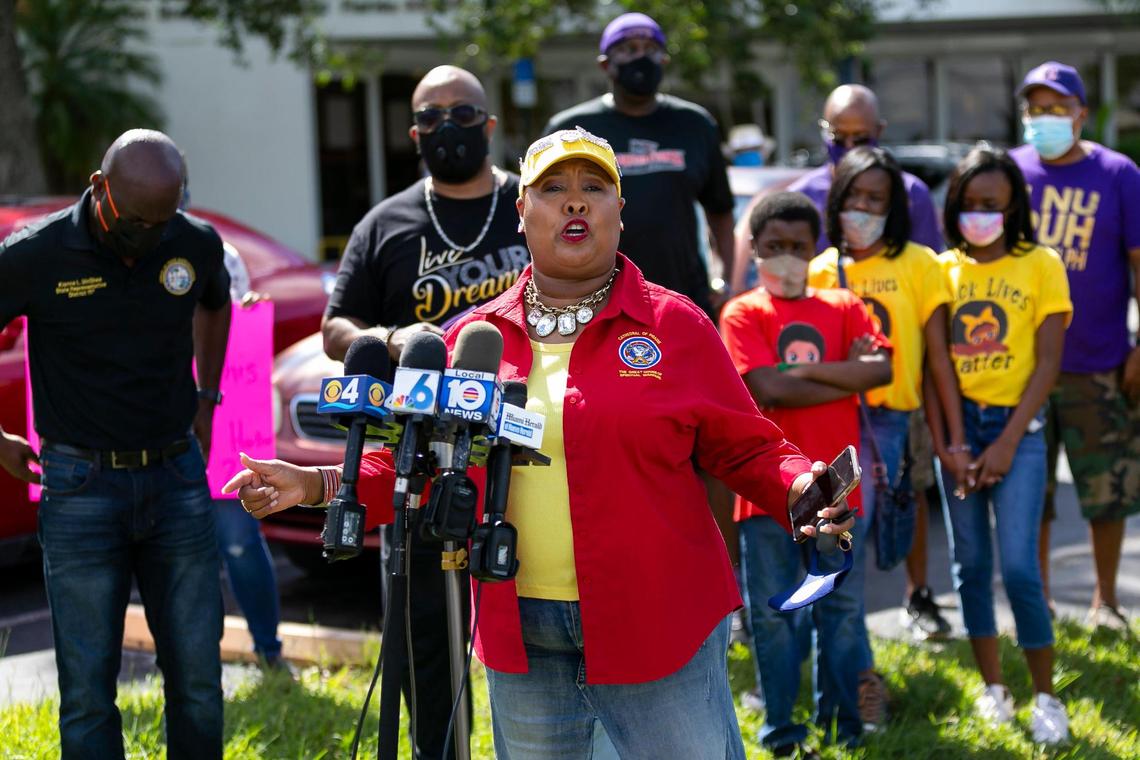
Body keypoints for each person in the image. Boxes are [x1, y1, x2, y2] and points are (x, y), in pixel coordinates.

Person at [223, 127, 855, 759]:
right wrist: (315, 484)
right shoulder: (471, 339)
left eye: (593, 188)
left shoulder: (675, 325)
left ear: (618, 211)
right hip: (521, 632)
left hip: (659, 624)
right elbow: (415, 463)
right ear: (522, 214)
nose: (574, 202)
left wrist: (801, 487)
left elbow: (745, 447)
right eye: (553, 189)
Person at [0, 129, 231, 759]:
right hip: (79, 488)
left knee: (199, 684)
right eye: (135, 222)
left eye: (163, 220)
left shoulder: (192, 241)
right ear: (99, 189)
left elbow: (217, 301)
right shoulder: (35, 254)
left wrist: (207, 399)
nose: (149, 237)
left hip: (176, 480)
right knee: (87, 694)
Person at [321, 65, 529, 759]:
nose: (449, 127)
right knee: (426, 648)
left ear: (489, 124)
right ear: (413, 134)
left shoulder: (530, 207)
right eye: (433, 116)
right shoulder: (386, 223)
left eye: (463, 113)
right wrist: (386, 338)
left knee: (541, 635)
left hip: (525, 457)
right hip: (419, 465)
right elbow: (336, 325)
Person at [720, 191, 892, 755]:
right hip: (767, 495)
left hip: (840, 497)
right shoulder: (742, 312)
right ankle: (783, 733)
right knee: (774, 620)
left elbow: (883, 370)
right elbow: (764, 386)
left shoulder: (843, 304)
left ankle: (841, 726)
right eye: (774, 247)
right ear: (758, 251)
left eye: (798, 246)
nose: (786, 257)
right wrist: (846, 371)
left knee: (839, 612)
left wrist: (813, 376)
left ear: (815, 249)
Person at [806, 146, 962, 724]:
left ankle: (848, 687)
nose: (864, 209)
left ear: (896, 207)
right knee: (838, 555)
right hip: (828, 423)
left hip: (891, 426)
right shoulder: (819, 269)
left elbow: (939, 360)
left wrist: (952, 439)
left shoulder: (923, 264)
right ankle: (854, 684)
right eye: (855, 198)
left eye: (878, 199)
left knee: (851, 554)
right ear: (837, 202)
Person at [926, 145, 1071, 744]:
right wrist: (953, 444)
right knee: (970, 566)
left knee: (1019, 568)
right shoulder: (939, 269)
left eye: (993, 204)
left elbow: (1048, 364)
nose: (980, 213)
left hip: (1021, 432)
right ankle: (994, 689)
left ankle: (1046, 697)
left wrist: (1009, 442)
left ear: (1014, 208)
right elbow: (935, 369)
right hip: (962, 432)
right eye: (969, 203)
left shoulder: (1042, 264)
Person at [1010, 61, 1140, 630]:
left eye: (1057, 107)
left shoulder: (1119, 174)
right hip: (1021, 367)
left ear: (1081, 113)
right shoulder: (1010, 173)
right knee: (1030, 497)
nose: (1046, 118)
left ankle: (1105, 599)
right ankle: (1037, 602)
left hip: (1099, 362)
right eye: (1036, 107)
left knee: (1105, 490)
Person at [543, 11, 736, 317]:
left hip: (684, 300)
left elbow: (721, 212)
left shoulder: (695, 124)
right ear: (605, 64)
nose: (641, 57)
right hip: (592, 303)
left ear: (664, 61)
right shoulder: (571, 128)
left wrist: (723, 278)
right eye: (628, 49)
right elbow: (542, 213)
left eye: (651, 49)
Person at [731, 84, 943, 294]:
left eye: (860, 138)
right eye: (839, 138)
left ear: (878, 131)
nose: (850, 147)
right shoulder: (800, 198)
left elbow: (928, 283)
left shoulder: (912, 194)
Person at [214, 243, 285, 667]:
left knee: (239, 544)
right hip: (171, 442)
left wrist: (249, 317)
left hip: (224, 444)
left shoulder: (220, 255)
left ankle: (269, 653)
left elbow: (239, 316)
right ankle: (187, 662)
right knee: (180, 556)